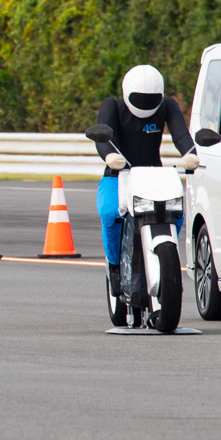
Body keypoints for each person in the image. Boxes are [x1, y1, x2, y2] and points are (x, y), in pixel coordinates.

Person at [93, 65, 197, 293]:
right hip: (119, 175)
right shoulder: (112, 106)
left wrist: (191, 154)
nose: (146, 103)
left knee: (176, 212)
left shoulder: (167, 106)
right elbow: (103, 137)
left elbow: (181, 134)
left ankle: (163, 253)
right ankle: (114, 265)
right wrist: (110, 155)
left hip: (153, 177)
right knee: (110, 212)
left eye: (151, 99)